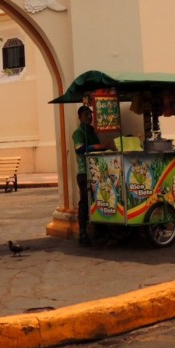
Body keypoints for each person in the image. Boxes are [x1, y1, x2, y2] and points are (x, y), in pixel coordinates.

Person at [72, 105, 102, 246]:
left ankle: (97, 229)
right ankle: (82, 231)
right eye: (85, 115)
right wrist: (94, 147)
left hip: (97, 171)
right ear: (80, 117)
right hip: (85, 172)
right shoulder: (78, 133)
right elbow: (79, 149)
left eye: (90, 114)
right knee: (84, 201)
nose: (89, 117)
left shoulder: (92, 132)